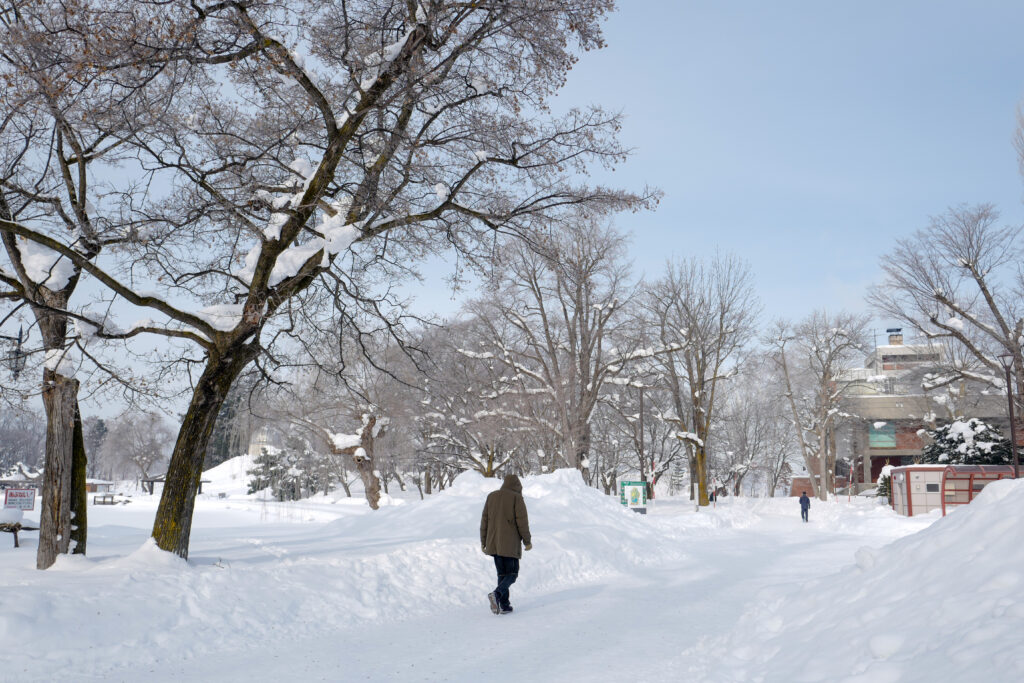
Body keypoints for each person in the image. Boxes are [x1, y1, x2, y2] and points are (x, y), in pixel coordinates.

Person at [480, 474, 532, 615]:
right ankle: (497, 594)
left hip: (494, 543)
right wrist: (527, 541)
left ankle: (504, 605)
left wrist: (483, 542)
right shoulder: (516, 498)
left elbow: (484, 521)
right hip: (509, 544)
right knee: (512, 574)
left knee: (502, 574)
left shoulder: (491, 496)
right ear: (517, 486)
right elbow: (522, 522)